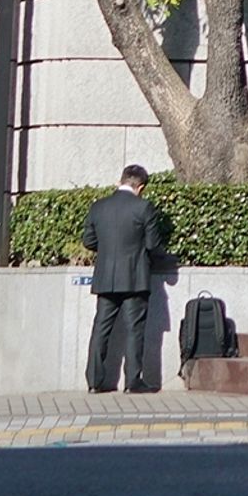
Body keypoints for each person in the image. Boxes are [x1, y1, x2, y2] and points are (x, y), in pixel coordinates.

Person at [85, 164, 161, 394]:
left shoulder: (99, 207)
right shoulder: (144, 207)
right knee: (134, 329)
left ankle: (94, 382)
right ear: (141, 187)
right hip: (135, 278)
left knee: (101, 328)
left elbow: (89, 241)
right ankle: (132, 382)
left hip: (105, 277)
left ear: (121, 181)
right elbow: (152, 244)